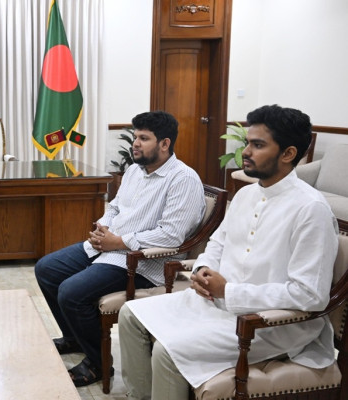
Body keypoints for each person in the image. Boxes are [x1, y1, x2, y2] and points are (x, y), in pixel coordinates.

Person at [119, 105, 339, 399]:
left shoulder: (311, 209)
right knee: (130, 314)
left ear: (288, 154)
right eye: (247, 142)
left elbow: (310, 295)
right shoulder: (247, 194)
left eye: (257, 145)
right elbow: (217, 244)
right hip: (217, 304)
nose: (245, 151)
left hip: (267, 324)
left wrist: (229, 292)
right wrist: (202, 270)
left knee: (167, 351)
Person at [35, 111, 205, 387]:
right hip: (111, 247)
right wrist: (102, 228)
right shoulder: (134, 170)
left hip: (144, 262)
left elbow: (171, 236)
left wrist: (118, 241)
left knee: (71, 292)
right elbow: (115, 207)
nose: (135, 143)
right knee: (47, 269)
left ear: (165, 144)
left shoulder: (183, 179)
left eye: (144, 138)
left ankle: (99, 364)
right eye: (135, 137)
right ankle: (74, 338)